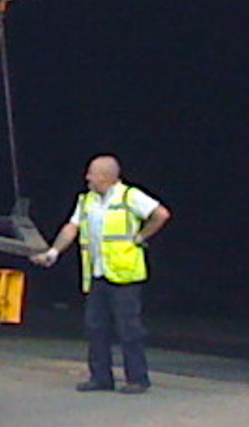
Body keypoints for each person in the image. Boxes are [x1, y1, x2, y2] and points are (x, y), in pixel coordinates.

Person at [34, 156, 169, 393]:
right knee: (96, 328)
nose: (87, 178)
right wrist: (54, 251)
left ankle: (137, 379)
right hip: (97, 274)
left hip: (125, 276)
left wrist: (141, 236)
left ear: (106, 177)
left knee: (129, 330)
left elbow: (161, 214)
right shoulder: (86, 200)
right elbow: (72, 227)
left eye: (92, 173)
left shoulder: (129, 196)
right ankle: (101, 377)